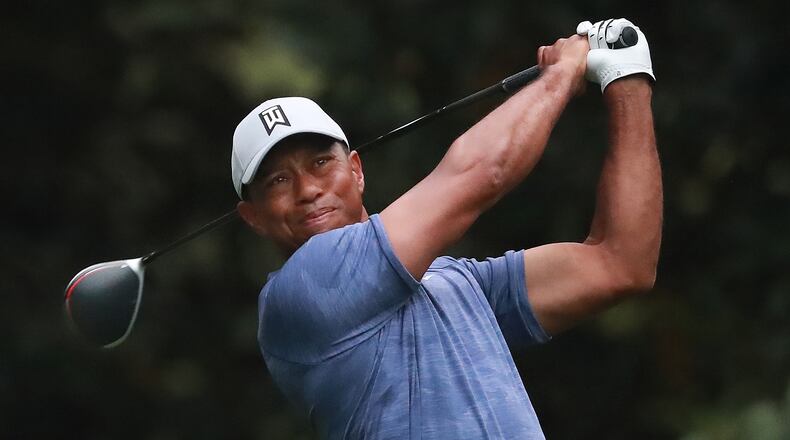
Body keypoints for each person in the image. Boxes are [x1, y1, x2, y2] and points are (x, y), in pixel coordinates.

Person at [231, 18, 662, 439]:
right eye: (278, 181)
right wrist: (561, 74)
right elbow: (481, 173)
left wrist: (627, 79)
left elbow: (621, 264)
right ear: (253, 217)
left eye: (321, 162)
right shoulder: (300, 295)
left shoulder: (456, 282)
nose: (308, 189)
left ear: (356, 171)